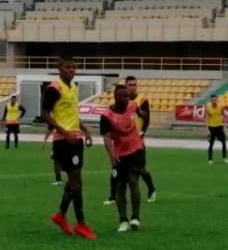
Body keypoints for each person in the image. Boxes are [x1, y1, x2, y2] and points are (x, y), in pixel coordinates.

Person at [41, 57, 96, 239]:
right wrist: (64, 132)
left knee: (74, 179)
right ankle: (81, 224)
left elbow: (72, 115)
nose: (71, 70)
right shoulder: (54, 88)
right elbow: (45, 114)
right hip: (64, 140)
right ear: (59, 68)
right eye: (67, 67)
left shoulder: (73, 87)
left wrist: (85, 129)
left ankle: (60, 215)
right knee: (76, 179)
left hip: (75, 138)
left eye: (74, 67)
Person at [100, 84, 145, 232]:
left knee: (133, 181)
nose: (126, 99)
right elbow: (106, 137)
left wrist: (143, 118)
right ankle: (123, 220)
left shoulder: (133, 105)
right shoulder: (107, 116)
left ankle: (135, 217)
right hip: (119, 153)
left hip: (136, 149)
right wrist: (111, 156)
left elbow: (141, 113)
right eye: (123, 96)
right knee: (120, 186)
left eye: (127, 96)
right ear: (115, 97)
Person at [105, 76, 157, 204]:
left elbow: (146, 119)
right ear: (125, 86)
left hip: (136, 142)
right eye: (130, 85)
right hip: (121, 143)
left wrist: (141, 133)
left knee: (141, 169)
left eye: (135, 85)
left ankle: (151, 190)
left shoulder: (142, 100)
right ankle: (112, 196)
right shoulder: (120, 103)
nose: (133, 87)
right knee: (116, 167)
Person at [206, 94, 228, 164]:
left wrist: (224, 126)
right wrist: (207, 129)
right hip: (212, 127)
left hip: (219, 126)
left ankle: (224, 158)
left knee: (224, 142)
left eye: (215, 100)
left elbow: (223, 115)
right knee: (211, 144)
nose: (214, 101)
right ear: (210, 100)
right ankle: (210, 159)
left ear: (217, 100)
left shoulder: (220, 106)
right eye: (212, 100)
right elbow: (207, 117)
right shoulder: (208, 106)